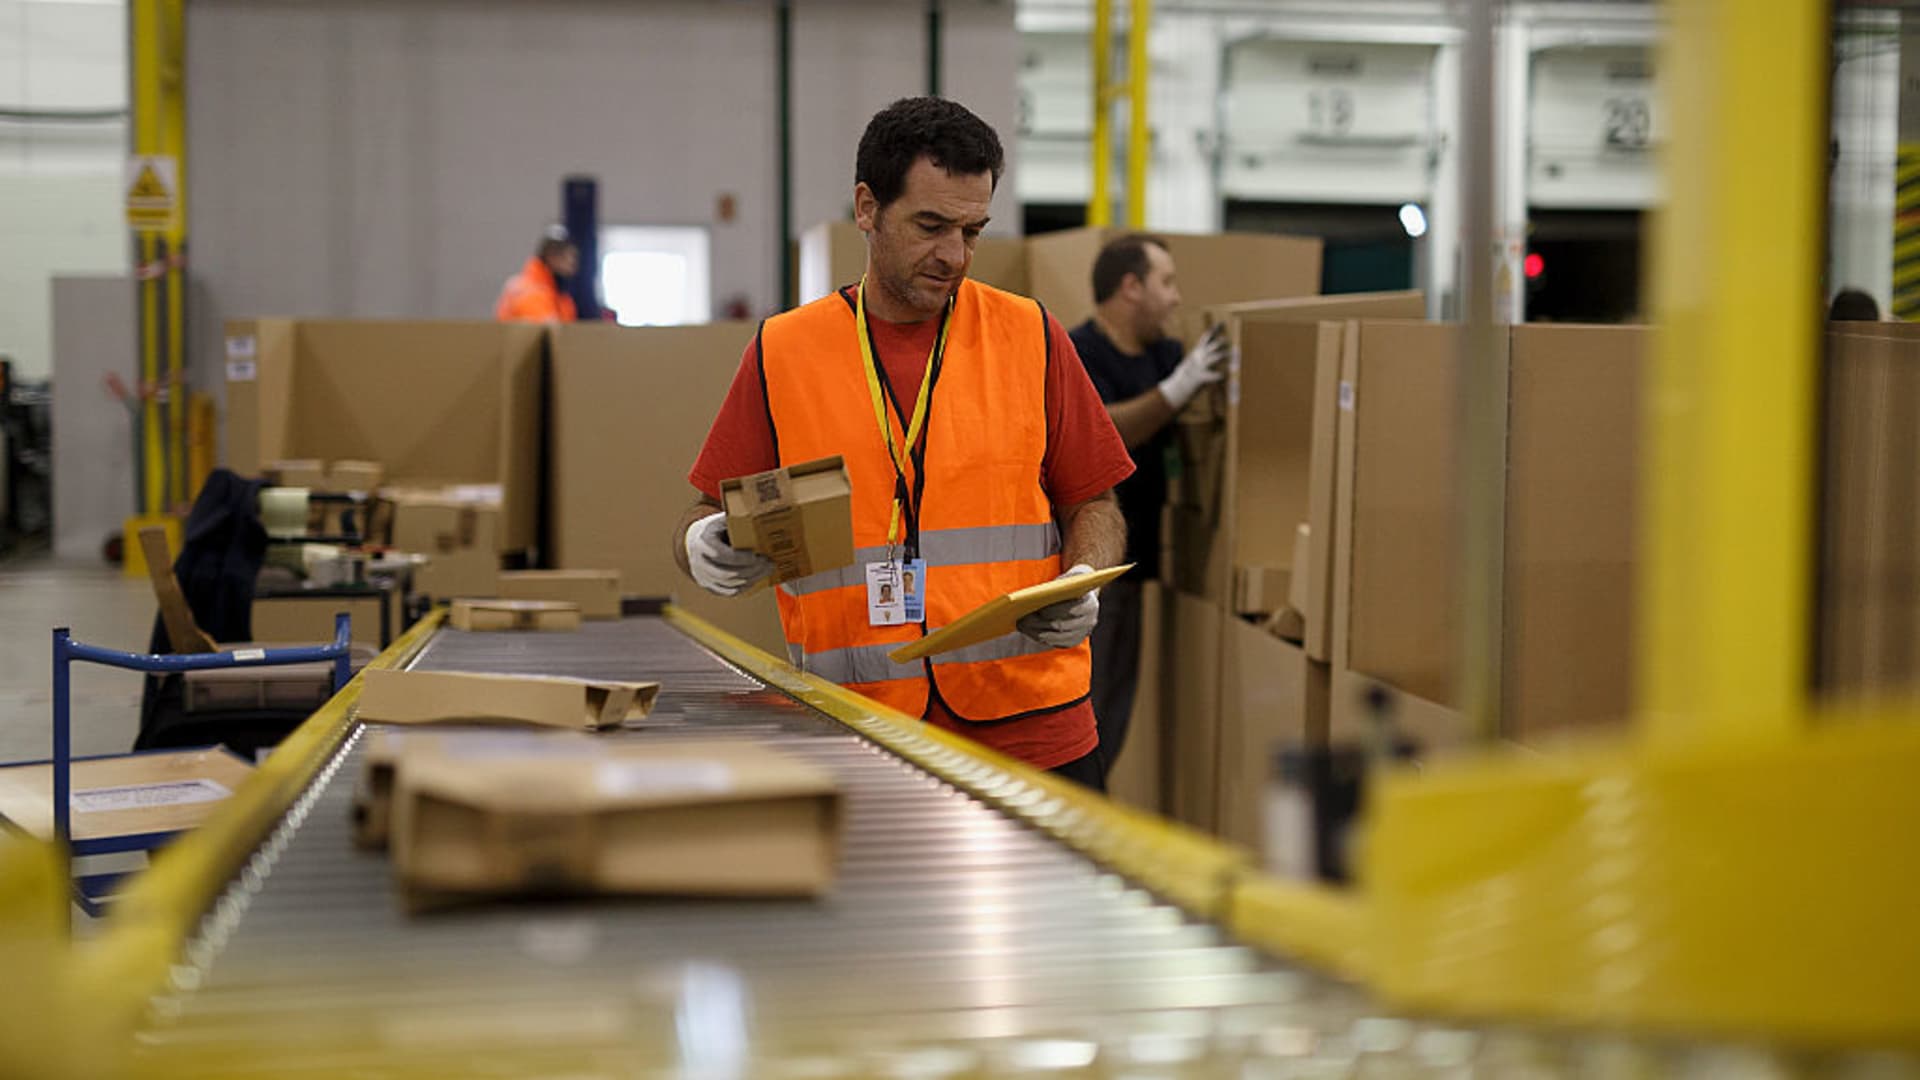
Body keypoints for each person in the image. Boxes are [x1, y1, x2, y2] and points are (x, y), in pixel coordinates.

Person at [675, 97, 1133, 790]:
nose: (955, 256)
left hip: (1034, 732)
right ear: (867, 207)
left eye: (972, 231)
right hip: (856, 729)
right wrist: (699, 546)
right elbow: (703, 514)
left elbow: (1094, 501)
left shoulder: (1031, 337)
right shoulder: (783, 352)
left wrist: (1082, 577)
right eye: (931, 226)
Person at [1067, 234, 1230, 767]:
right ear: (1131, 287)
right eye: (1167, 282)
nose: (1176, 297)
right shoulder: (1080, 353)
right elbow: (1104, 432)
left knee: (1114, 712)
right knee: (1087, 718)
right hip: (1093, 572)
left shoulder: (1164, 354)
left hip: (1139, 569)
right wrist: (1178, 389)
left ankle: (1090, 800)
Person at [494, 224, 579, 323]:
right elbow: (545, 329)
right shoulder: (530, 291)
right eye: (566, 257)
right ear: (549, 256)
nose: (571, 264)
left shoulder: (560, 295)